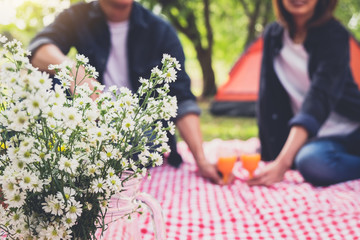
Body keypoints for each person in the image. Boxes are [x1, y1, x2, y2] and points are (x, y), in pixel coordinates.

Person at [29, 0, 224, 184]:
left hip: (140, 132)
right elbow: (37, 51)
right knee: (41, 88)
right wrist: (74, 71)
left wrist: (202, 160)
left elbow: (181, 99)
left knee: (137, 138)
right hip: (89, 125)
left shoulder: (160, 30)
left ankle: (84, 165)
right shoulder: (77, 16)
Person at [249, 0, 360, 187]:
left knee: (311, 163)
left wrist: (283, 163)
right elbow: (268, 99)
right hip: (317, 139)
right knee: (311, 160)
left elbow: (319, 97)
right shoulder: (273, 35)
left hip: (351, 130)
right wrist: (270, 152)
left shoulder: (335, 35)